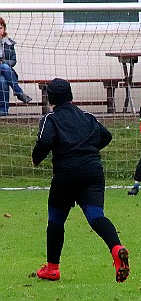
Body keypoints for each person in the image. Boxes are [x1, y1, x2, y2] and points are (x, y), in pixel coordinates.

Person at [32, 78, 130, 282]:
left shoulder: (51, 118)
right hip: (92, 171)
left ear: (50, 99)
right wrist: (88, 151)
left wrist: (36, 158)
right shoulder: (87, 116)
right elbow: (106, 136)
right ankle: (117, 248)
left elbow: (45, 141)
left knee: (56, 219)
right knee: (96, 216)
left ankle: (52, 269)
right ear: (71, 95)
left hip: (66, 174)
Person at [0, 17, 32, 116]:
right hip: (6, 70)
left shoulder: (9, 43)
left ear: (4, 29)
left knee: (3, 80)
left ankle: (3, 111)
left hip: (5, 73)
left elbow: (13, 61)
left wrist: (2, 62)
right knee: (5, 67)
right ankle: (19, 92)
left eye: (0, 28)